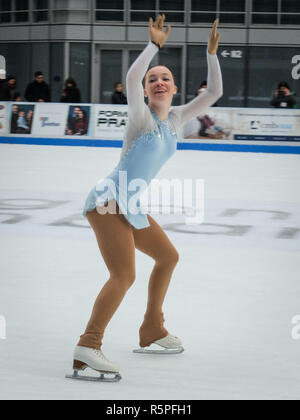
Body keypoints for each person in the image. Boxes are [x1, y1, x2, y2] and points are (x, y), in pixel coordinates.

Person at [69, 15, 222, 381]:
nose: (157, 82)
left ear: (174, 87)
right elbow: (132, 78)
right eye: (153, 79)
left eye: (164, 78)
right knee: (123, 275)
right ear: (147, 89)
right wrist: (153, 47)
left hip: (130, 205)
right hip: (108, 200)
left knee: (168, 257)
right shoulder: (141, 118)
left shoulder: (178, 120)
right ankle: (88, 346)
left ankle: (152, 327)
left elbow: (214, 93)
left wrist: (212, 54)